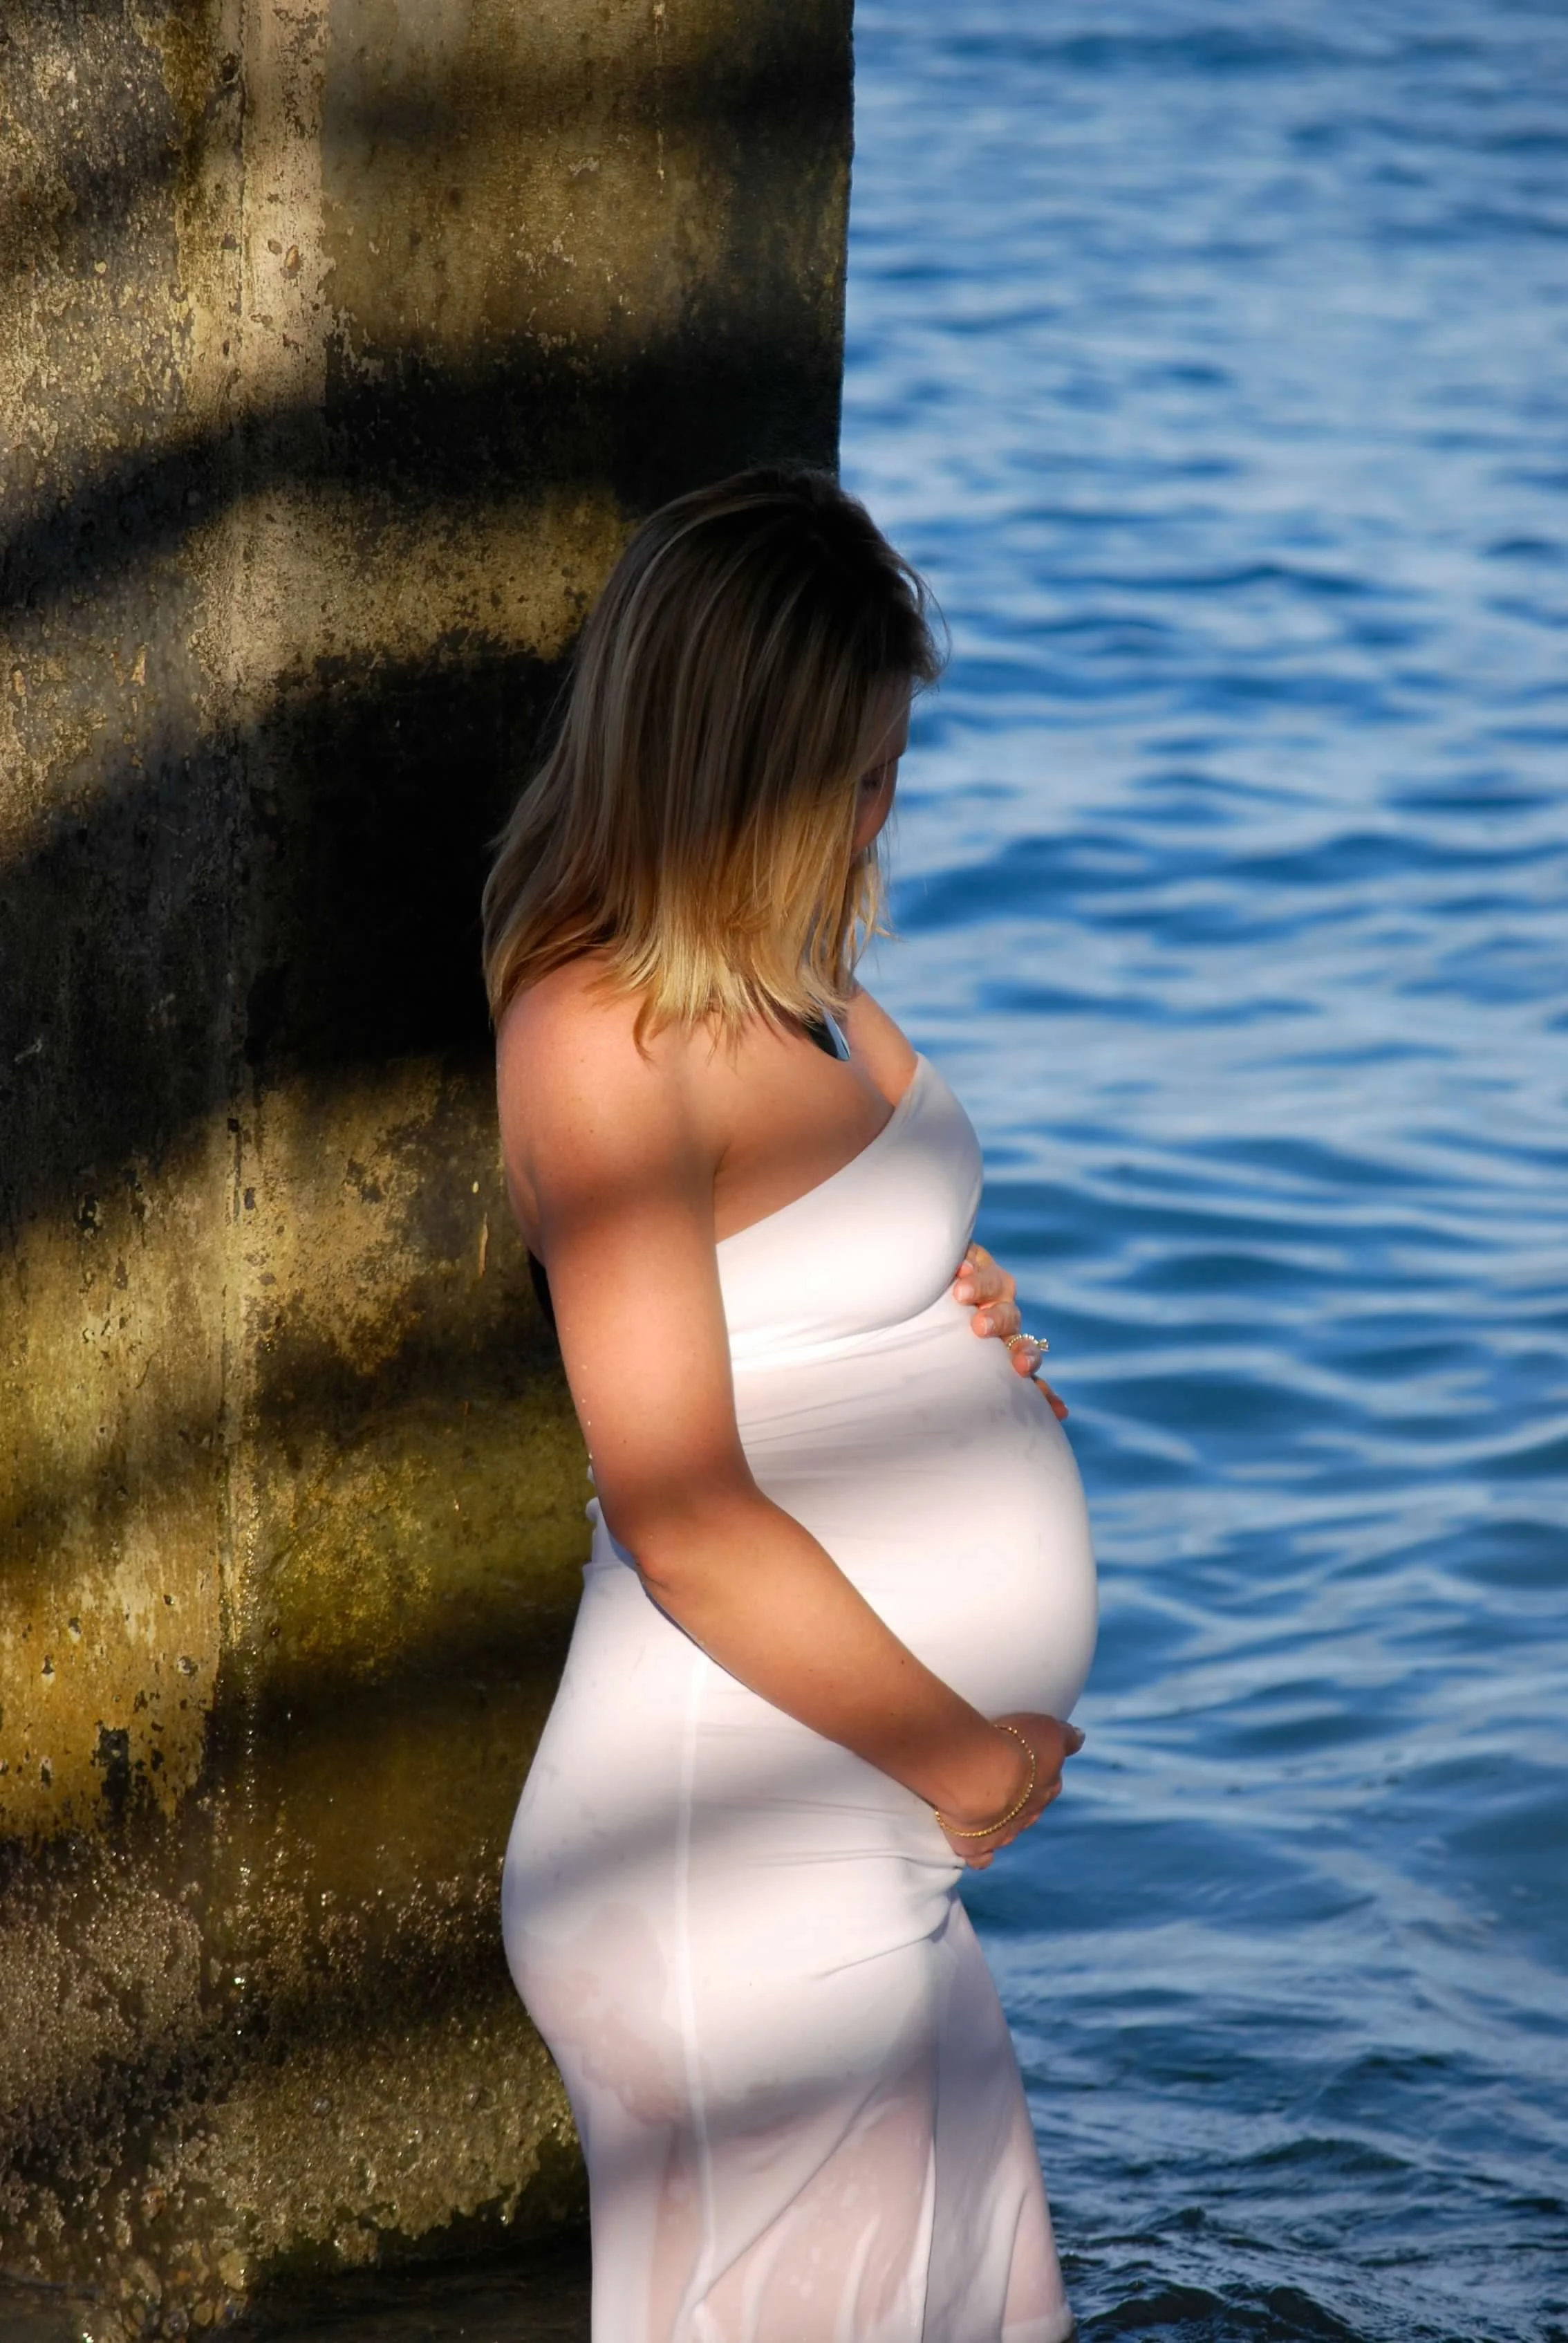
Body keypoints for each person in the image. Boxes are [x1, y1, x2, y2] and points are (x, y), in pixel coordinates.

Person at [483, 467, 1098, 2343]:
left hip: (847, 1855)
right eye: (846, 769)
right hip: (734, 1853)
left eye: (888, 759)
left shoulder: (803, 986)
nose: (878, 808)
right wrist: (963, 1757)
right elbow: (678, 1509)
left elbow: (798, 1281)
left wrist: (943, 1299)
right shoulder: (600, 1033)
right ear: (723, 761)